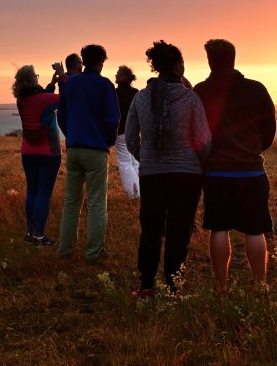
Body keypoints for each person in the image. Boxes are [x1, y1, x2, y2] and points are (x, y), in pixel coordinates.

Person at [126, 42, 212, 296]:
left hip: (152, 175)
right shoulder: (190, 97)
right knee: (179, 230)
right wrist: (197, 162)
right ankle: (174, 286)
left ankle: (146, 285)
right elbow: (204, 140)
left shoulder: (141, 97)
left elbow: (131, 138)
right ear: (178, 66)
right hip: (186, 176)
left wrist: (147, 158)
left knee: (150, 229)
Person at [193, 39, 277, 291]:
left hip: (216, 171)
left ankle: (221, 287)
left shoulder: (201, 91)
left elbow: (195, 132)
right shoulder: (256, 89)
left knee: (218, 228)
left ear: (210, 60)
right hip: (251, 170)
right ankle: (259, 285)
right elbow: (269, 131)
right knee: (255, 229)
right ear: (234, 58)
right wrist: (251, 151)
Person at [56, 44, 120, 261]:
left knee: (72, 201)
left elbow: (61, 116)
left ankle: (65, 249)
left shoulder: (70, 85)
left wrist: (71, 135)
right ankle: (94, 252)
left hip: (74, 148)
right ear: (101, 62)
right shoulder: (104, 85)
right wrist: (108, 141)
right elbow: (113, 119)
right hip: (96, 149)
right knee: (96, 202)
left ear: (83, 60)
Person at [13, 65, 62, 245]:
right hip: (49, 152)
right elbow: (64, 99)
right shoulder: (44, 100)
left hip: (28, 152)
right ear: (33, 79)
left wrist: (52, 83)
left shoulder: (21, 100)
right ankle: (40, 236)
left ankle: (30, 233)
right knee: (43, 194)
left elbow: (42, 99)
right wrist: (62, 78)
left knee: (32, 192)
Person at [114, 65, 141, 200]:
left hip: (122, 131)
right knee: (135, 161)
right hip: (135, 131)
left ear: (124, 76)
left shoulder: (115, 93)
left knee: (124, 162)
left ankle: (133, 194)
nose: (116, 75)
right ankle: (141, 190)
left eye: (118, 73)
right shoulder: (136, 92)